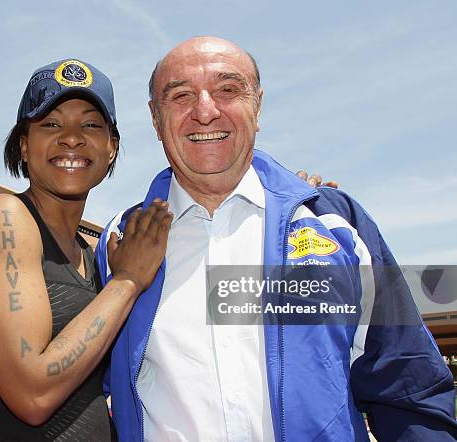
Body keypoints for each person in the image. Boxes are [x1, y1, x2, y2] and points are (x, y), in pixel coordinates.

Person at [95, 37, 457, 441]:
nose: (205, 111)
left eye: (228, 90)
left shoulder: (337, 224)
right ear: (155, 117)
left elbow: (408, 384)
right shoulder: (116, 242)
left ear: (258, 105)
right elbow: (88, 399)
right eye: (180, 96)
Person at [0, 58, 172, 441]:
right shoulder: (3, 218)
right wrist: (127, 282)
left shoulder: (94, 255)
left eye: (90, 125)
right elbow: (33, 395)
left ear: (111, 147)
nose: (71, 138)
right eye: (50, 124)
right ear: (23, 144)